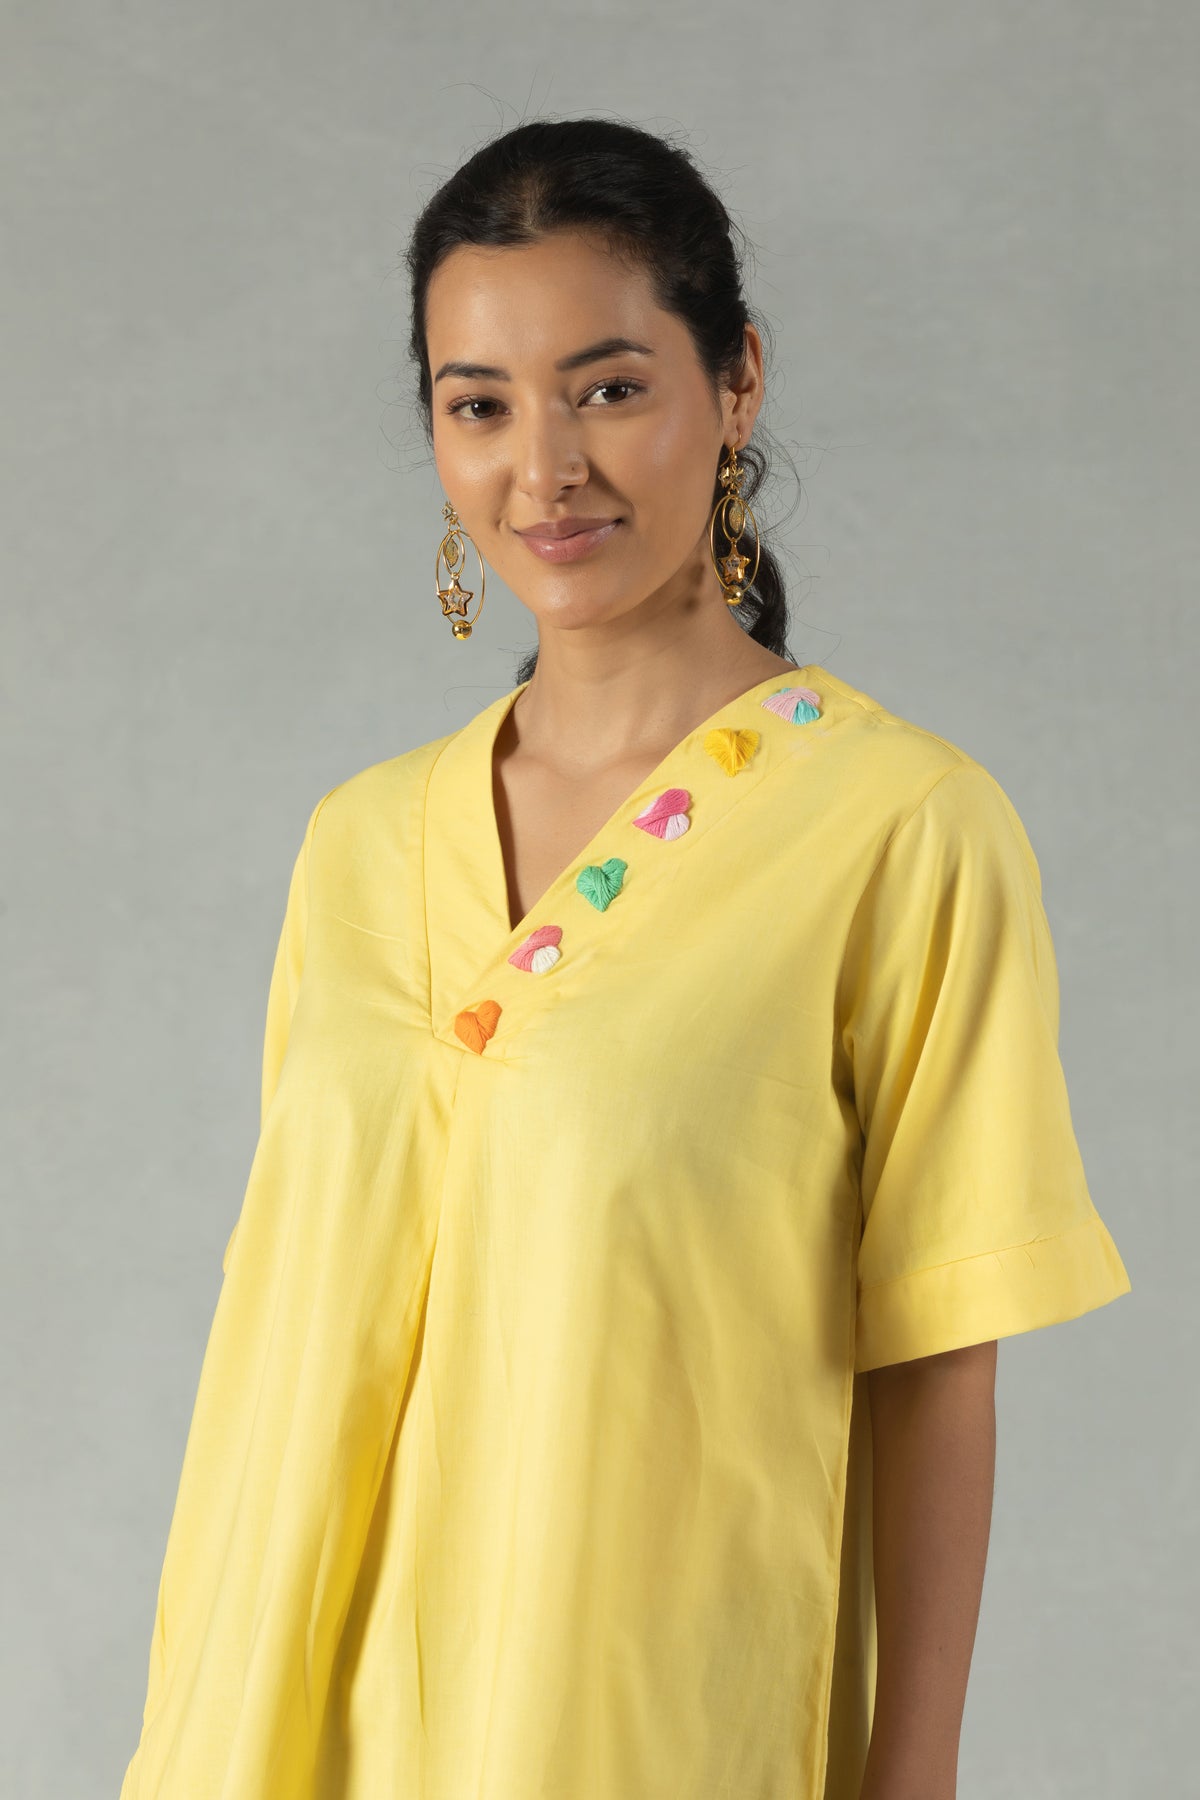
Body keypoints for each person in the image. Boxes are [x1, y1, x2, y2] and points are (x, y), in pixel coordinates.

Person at [118, 117, 1131, 1800]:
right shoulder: (359, 842)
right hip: (274, 1729)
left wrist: (914, 1773)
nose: (545, 470)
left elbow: (939, 1362)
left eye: (606, 389)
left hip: (637, 1726)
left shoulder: (898, 831)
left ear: (736, 385)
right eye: (480, 405)